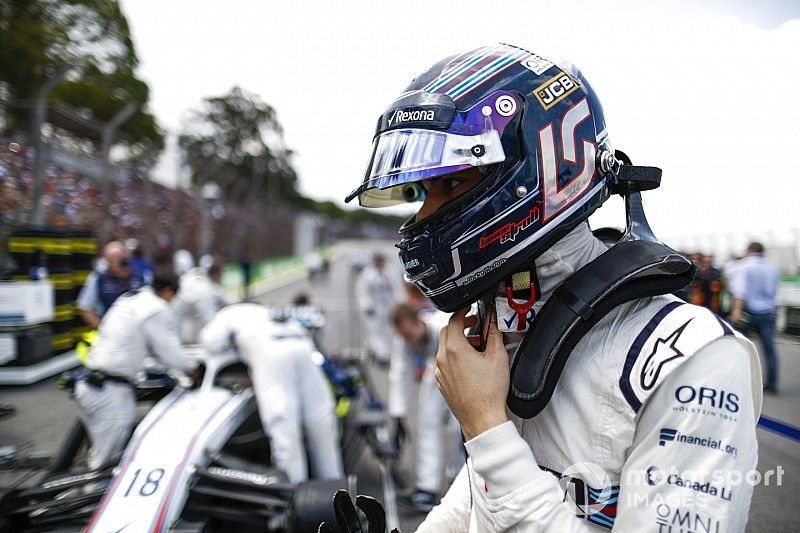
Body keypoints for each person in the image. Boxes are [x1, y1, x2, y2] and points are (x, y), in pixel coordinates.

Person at [344, 43, 762, 531]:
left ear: (536, 172)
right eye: (423, 193)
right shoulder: (515, 320)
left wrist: (486, 428)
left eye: (452, 186)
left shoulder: (696, 359)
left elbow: (500, 466)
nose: (423, 217)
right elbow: (478, 504)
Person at [199, 303, 344, 484]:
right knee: (321, 421)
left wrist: (240, 352)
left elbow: (211, 342)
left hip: (270, 349)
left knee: (284, 426)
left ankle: (293, 493)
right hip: (302, 344)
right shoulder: (262, 311)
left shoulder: (227, 314)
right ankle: (336, 493)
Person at [74, 277, 194, 470]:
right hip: (109, 392)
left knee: (100, 454)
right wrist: (193, 369)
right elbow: (172, 356)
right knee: (106, 464)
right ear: (168, 292)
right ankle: (91, 497)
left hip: (91, 384)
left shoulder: (129, 299)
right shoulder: (154, 308)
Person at [390, 303, 464, 512]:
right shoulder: (403, 340)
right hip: (434, 370)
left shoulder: (443, 326)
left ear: (419, 322)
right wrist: (398, 415)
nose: (407, 341)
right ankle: (427, 488)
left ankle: (458, 481)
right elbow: (398, 373)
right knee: (426, 423)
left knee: (457, 429)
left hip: (459, 370)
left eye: (409, 334)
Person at [729, 242, 780, 393]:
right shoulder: (773, 267)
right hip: (767, 312)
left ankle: (736, 381)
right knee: (769, 349)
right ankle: (772, 384)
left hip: (747, 313)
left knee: (739, 347)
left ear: (749, 250)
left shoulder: (744, 266)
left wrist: (736, 311)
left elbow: (740, 290)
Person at [76, 241, 146, 328]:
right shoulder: (98, 277)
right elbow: (85, 308)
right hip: (110, 327)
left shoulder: (138, 276)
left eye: (119, 257)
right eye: (112, 258)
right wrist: (103, 329)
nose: (116, 261)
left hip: (136, 328)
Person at [355, 253, 404, 364]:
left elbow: (398, 289)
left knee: (392, 331)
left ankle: (378, 350)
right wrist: (366, 305)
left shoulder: (391, 271)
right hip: (375, 308)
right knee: (376, 331)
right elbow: (362, 291)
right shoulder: (367, 274)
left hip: (390, 306)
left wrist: (401, 304)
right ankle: (383, 356)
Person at [172, 263, 227, 343]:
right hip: (193, 303)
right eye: (221, 274)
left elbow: (182, 279)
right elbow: (223, 303)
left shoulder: (196, 273)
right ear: (216, 274)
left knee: (176, 319)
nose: (222, 277)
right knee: (210, 322)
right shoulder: (208, 290)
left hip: (182, 301)